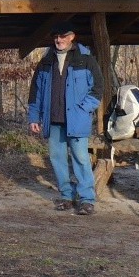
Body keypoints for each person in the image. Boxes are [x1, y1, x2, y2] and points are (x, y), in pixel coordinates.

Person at [28, 24, 103, 216]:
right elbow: (35, 92)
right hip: (53, 119)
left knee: (81, 159)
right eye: (56, 37)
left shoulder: (86, 59)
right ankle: (66, 196)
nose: (58, 40)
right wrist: (34, 117)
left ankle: (87, 199)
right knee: (57, 159)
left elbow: (97, 89)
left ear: (71, 37)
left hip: (77, 120)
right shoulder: (46, 61)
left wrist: (83, 109)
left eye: (62, 36)